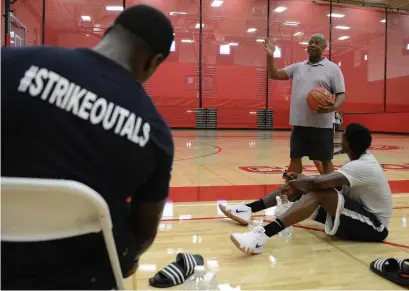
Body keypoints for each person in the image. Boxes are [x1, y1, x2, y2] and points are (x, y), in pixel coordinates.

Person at [1, 5, 174, 289]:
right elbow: (141, 238)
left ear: (107, 34)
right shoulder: (155, 134)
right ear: (152, 62)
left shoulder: (9, 62)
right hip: (82, 278)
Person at [218, 34, 346, 221]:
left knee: (326, 165)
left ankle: (334, 200)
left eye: (316, 43)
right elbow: (274, 74)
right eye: (310, 42)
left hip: (322, 126)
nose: (312, 45)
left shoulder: (332, 69)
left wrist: (333, 107)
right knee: (294, 164)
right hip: (299, 125)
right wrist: (271, 55)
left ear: (325, 47)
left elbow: (341, 94)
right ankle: (285, 200)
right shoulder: (298, 67)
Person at [228, 123, 392, 255]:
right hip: (357, 216)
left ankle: (263, 235)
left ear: (348, 143)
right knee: (300, 187)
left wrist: (300, 179)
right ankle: (249, 209)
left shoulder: (363, 166)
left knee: (316, 191)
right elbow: (328, 184)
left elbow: (319, 185)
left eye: (343, 137)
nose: (340, 139)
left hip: (374, 226)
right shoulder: (356, 163)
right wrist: (299, 182)